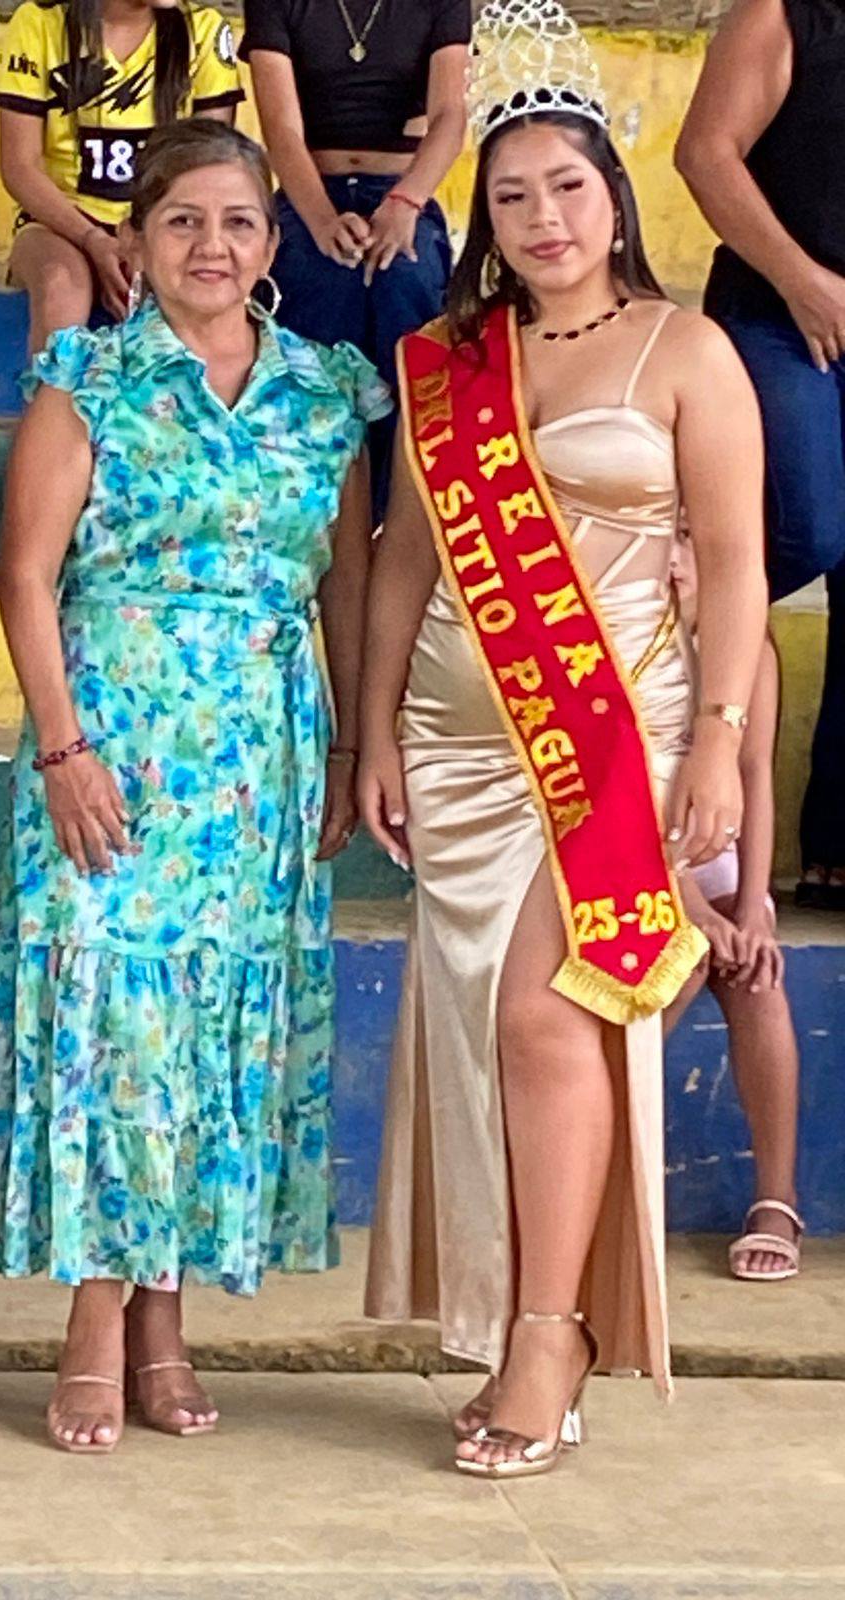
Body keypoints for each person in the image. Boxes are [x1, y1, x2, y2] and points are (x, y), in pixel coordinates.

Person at [360, 0, 768, 1478]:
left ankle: (550, 1333)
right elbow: (405, 558)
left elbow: (737, 563)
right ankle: (531, 1316)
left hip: (616, 731)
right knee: (497, 1035)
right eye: (515, 194)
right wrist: (371, 732)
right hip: (454, 740)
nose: (544, 217)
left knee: (550, 1015)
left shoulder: (688, 349)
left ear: (615, 196)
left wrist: (719, 740)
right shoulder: (445, 359)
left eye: (568, 186)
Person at [0, 119, 389, 1456]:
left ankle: (165, 1321)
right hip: (112, 742)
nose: (213, 245)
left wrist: (348, 745)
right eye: (184, 220)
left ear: (271, 243)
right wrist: (62, 747)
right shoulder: (88, 376)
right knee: (115, 1021)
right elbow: (25, 572)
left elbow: (347, 581)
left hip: (259, 753)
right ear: (137, 240)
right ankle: (94, 1324)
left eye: (239, 222)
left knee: (208, 1029)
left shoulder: (325, 392)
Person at [676, 0, 845, 911]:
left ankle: (833, 849)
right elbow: (705, 153)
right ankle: (654, 633)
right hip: (777, 318)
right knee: (809, 527)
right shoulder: (784, 15)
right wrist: (802, 281)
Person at [242, 0, 469, 513]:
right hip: (310, 193)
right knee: (320, 285)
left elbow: (450, 117)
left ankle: (407, 507)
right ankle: (308, 500)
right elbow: (280, 128)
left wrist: (407, 201)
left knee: (406, 284)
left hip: (402, 191)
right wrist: (322, 219)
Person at [667, 536, 803, 1282]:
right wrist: (694, 913)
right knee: (678, 963)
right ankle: (606, 1171)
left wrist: (751, 909)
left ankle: (776, 1199)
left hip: (717, 856)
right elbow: (627, 792)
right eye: (664, 533)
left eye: (690, 538)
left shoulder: (750, 650)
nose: (674, 557)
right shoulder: (621, 639)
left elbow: (755, 779)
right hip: (636, 859)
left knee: (759, 977)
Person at [0, 0, 244, 352]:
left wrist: (146, 241)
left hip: (163, 223)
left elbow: (208, 175)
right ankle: (53, 389)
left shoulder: (203, 31)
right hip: (58, 224)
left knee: (183, 295)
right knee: (61, 287)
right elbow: (20, 167)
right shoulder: (40, 22)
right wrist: (92, 239)